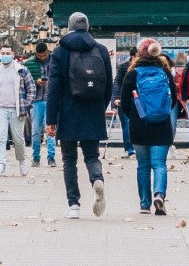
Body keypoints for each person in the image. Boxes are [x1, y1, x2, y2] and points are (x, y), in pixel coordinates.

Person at [45, 12, 112, 219]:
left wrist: (51, 119)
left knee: (69, 160)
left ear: (70, 27)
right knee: (91, 155)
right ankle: (96, 179)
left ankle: (73, 205)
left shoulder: (60, 51)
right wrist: (101, 107)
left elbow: (54, 88)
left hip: (68, 112)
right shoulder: (100, 50)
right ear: (88, 26)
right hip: (93, 111)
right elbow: (108, 85)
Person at [120, 38, 179, 215]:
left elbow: (124, 103)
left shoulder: (132, 74)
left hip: (140, 127)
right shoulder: (165, 73)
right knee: (159, 164)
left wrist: (136, 116)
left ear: (139, 53)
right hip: (162, 127)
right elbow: (173, 100)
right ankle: (159, 194)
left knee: (143, 166)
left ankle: (144, 204)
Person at [0, 44, 34, 177]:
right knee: (0, 138)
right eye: (3, 53)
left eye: (7, 53)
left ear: (13, 54)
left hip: (17, 110)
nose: (5, 56)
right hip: (0, 108)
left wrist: (27, 103)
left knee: (18, 139)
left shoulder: (21, 70)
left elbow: (31, 88)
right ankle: (0, 165)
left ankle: (22, 161)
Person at [24, 42, 56, 167]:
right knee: (36, 130)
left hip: (50, 99)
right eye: (40, 55)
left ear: (47, 52)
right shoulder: (29, 64)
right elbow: (25, 84)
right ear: (36, 54)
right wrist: (36, 83)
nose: (42, 57)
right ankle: (36, 157)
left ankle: (51, 157)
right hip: (36, 100)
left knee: (50, 129)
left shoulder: (54, 61)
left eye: (44, 55)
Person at [111, 47, 138, 157]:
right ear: (133, 56)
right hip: (124, 98)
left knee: (136, 124)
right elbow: (117, 83)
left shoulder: (141, 67)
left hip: (138, 99)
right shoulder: (124, 67)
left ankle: (137, 147)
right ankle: (129, 148)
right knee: (126, 124)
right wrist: (115, 99)